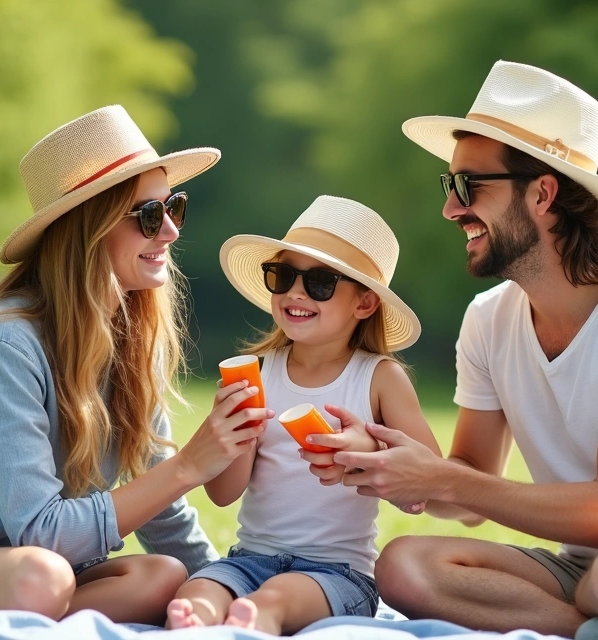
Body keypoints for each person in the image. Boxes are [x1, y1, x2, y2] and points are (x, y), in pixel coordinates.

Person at [323, 61, 598, 640]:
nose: (451, 209)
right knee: (403, 565)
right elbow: (471, 493)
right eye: (449, 186)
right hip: (584, 570)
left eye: (468, 186)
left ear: (543, 193)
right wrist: (390, 462)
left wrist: (443, 479)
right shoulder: (488, 320)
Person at [0, 106, 270, 629]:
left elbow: (163, 515)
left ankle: (0, 623)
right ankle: (4, 616)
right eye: (150, 215)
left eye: (176, 207)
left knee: (165, 576)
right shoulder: (3, 343)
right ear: (89, 229)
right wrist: (188, 467)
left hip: (33, 567)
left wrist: (227, 595)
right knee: (41, 578)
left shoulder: (134, 343)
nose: (171, 231)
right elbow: (41, 532)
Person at [165, 196, 442, 635]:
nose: (296, 292)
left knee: (278, 596)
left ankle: (253, 620)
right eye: (284, 276)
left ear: (365, 304)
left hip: (337, 573)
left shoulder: (380, 379)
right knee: (199, 589)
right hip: (249, 560)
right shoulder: (258, 374)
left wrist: (370, 452)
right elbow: (222, 495)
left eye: (319, 282)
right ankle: (199, 621)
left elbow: (431, 481)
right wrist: (236, 435)